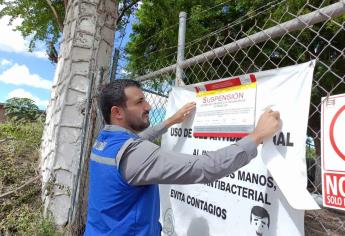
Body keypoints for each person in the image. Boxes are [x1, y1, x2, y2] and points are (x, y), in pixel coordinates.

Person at [84, 79, 281, 236]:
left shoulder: (104, 142)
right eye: (139, 102)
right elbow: (204, 168)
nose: (148, 106)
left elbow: (140, 138)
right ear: (117, 112)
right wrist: (256, 136)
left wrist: (171, 121)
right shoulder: (134, 154)